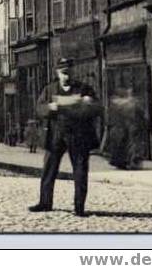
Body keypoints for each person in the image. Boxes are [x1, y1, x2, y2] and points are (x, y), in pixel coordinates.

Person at [29, 59, 102, 217]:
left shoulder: (84, 89)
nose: (66, 76)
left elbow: (97, 108)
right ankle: (45, 202)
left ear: (73, 72)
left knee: (80, 171)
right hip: (55, 135)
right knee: (49, 170)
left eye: (68, 72)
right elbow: (38, 109)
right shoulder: (49, 90)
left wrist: (89, 103)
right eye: (63, 73)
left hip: (78, 136)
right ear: (57, 73)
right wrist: (49, 107)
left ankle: (79, 207)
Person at [104, 86, 146, 169]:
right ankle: (133, 163)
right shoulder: (133, 103)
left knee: (120, 146)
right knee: (133, 145)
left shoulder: (115, 103)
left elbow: (110, 116)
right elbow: (140, 116)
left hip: (119, 128)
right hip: (131, 127)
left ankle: (121, 162)